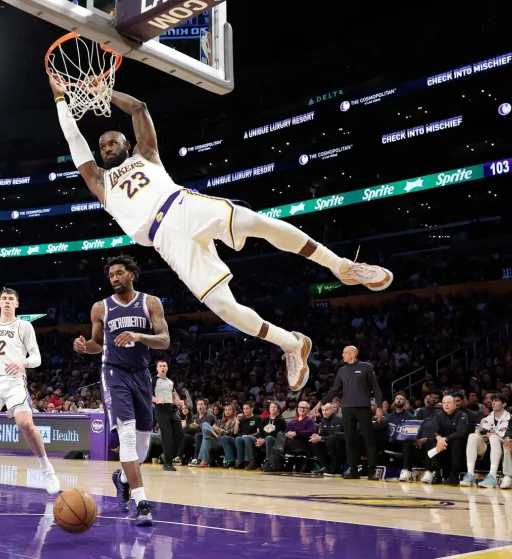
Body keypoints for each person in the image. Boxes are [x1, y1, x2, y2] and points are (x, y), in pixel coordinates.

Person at [48, 77, 392, 394]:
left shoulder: (147, 156)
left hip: (182, 204)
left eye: (113, 141)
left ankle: (342, 266)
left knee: (258, 223)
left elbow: (139, 108)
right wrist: (62, 99)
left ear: (128, 144)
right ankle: (291, 343)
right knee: (223, 307)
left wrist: (101, 93)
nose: (107, 146)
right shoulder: (99, 183)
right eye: (103, 145)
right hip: (165, 239)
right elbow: (72, 138)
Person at [73, 255, 170, 526]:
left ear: (131, 274)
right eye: (111, 275)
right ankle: (142, 503)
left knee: (143, 445)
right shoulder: (100, 308)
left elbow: (164, 341)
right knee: (126, 438)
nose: (114, 278)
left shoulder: (150, 303)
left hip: (141, 375)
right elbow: (97, 344)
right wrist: (84, 347)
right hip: (113, 374)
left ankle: (123, 478)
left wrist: (140, 336)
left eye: (119, 273)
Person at [0, 288, 59, 501]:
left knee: (25, 423)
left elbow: (36, 357)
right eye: (4, 299)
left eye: (11, 299)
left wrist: (23, 361)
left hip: (14, 380)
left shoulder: (24, 326)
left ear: (17, 304)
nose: (7, 302)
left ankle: (47, 468)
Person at [312, 346, 383, 480]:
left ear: (353, 354)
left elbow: (376, 388)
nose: (342, 355)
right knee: (349, 440)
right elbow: (334, 390)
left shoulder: (366, 367)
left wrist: (379, 407)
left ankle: (372, 471)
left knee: (369, 439)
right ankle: (353, 470)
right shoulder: (342, 370)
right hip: (347, 409)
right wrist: (321, 402)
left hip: (363, 407)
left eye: (345, 353)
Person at [465, 394, 511, 488]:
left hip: (504, 447)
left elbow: (504, 435)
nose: (493, 402)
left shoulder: (510, 418)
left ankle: (492, 476)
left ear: (504, 404)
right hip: (487, 446)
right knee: (472, 436)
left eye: (496, 401)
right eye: (492, 400)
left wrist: (491, 434)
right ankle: (470, 474)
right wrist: (484, 435)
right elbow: (483, 435)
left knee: (494, 437)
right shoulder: (486, 419)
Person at [422, 395, 470, 485]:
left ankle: (455, 476)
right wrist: (439, 439)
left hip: (458, 447)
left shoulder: (462, 415)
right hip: (443, 446)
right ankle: (436, 473)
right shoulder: (439, 415)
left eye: (448, 403)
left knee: (457, 441)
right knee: (430, 441)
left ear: (455, 404)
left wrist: (444, 439)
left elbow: (460, 433)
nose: (446, 405)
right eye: (444, 403)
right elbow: (434, 430)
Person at [151, 359, 182, 472]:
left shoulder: (170, 382)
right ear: (157, 368)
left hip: (171, 410)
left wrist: (179, 402)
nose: (163, 368)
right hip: (160, 410)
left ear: (167, 368)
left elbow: (173, 397)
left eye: (165, 366)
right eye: (161, 366)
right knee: (167, 436)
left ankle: (167, 456)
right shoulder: (153, 380)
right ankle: (167, 463)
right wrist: (157, 399)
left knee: (179, 434)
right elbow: (147, 396)